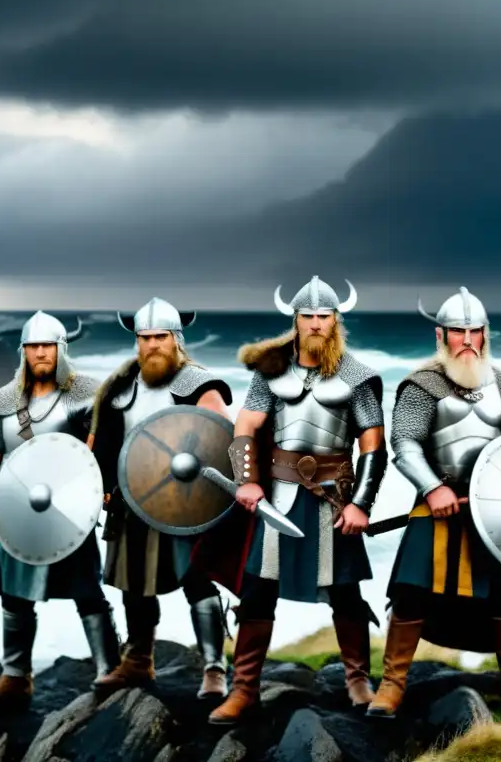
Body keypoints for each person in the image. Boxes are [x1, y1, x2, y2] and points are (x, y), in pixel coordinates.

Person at [366, 287, 501, 719]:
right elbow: (405, 443)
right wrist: (431, 488)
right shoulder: (422, 385)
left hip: (495, 510)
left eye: (476, 331)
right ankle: (392, 684)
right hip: (435, 504)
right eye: (459, 331)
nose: (469, 340)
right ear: (441, 335)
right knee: (411, 591)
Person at [209, 277, 387, 725]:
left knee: (345, 593)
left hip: (334, 497)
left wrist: (361, 504)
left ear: (335, 321)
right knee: (256, 594)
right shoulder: (271, 373)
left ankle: (358, 680)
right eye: (306, 316)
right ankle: (244, 689)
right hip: (279, 495)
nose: (314, 323)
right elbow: (245, 427)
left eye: (323, 316)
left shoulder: (357, 377)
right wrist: (247, 480)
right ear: (295, 320)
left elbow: (373, 447)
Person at [0, 311, 120, 709]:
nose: (41, 353)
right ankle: (15, 678)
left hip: (68, 512)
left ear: (61, 349)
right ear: (24, 352)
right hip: (17, 510)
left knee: (88, 592)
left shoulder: (86, 393)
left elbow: (105, 450)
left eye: (48, 345)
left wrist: (108, 490)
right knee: (14, 597)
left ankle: (108, 670)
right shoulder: (3, 400)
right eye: (33, 346)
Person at [88, 297, 235, 698]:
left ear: (177, 339)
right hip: (132, 500)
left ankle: (214, 668)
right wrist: (100, 487)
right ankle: (138, 662)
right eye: (145, 337)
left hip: (187, 502)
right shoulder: (118, 390)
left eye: (161, 337)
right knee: (133, 585)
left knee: (198, 581)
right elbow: (101, 445)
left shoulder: (198, 385)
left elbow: (224, 436)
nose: (152, 345)